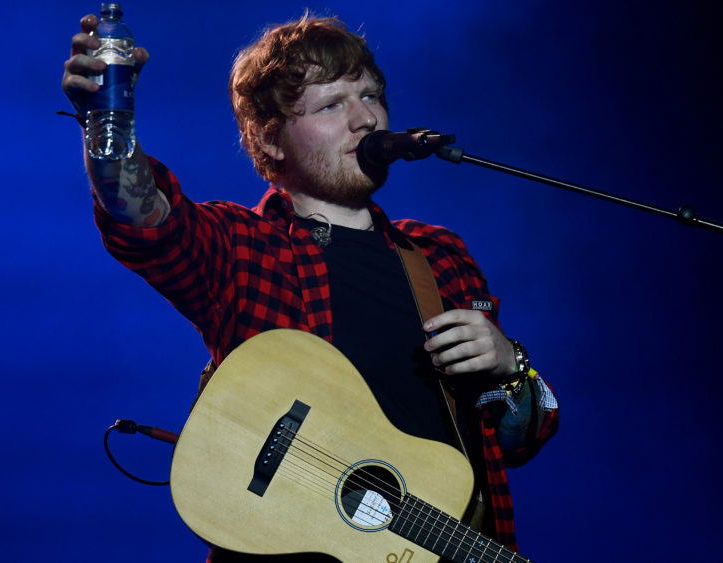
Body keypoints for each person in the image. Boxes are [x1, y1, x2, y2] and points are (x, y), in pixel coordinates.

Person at [62, 12, 558, 562]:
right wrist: (107, 124)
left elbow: (520, 441)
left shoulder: (443, 258)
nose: (365, 118)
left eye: (371, 95)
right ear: (270, 140)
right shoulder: (241, 248)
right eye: (330, 105)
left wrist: (512, 365)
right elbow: (143, 217)